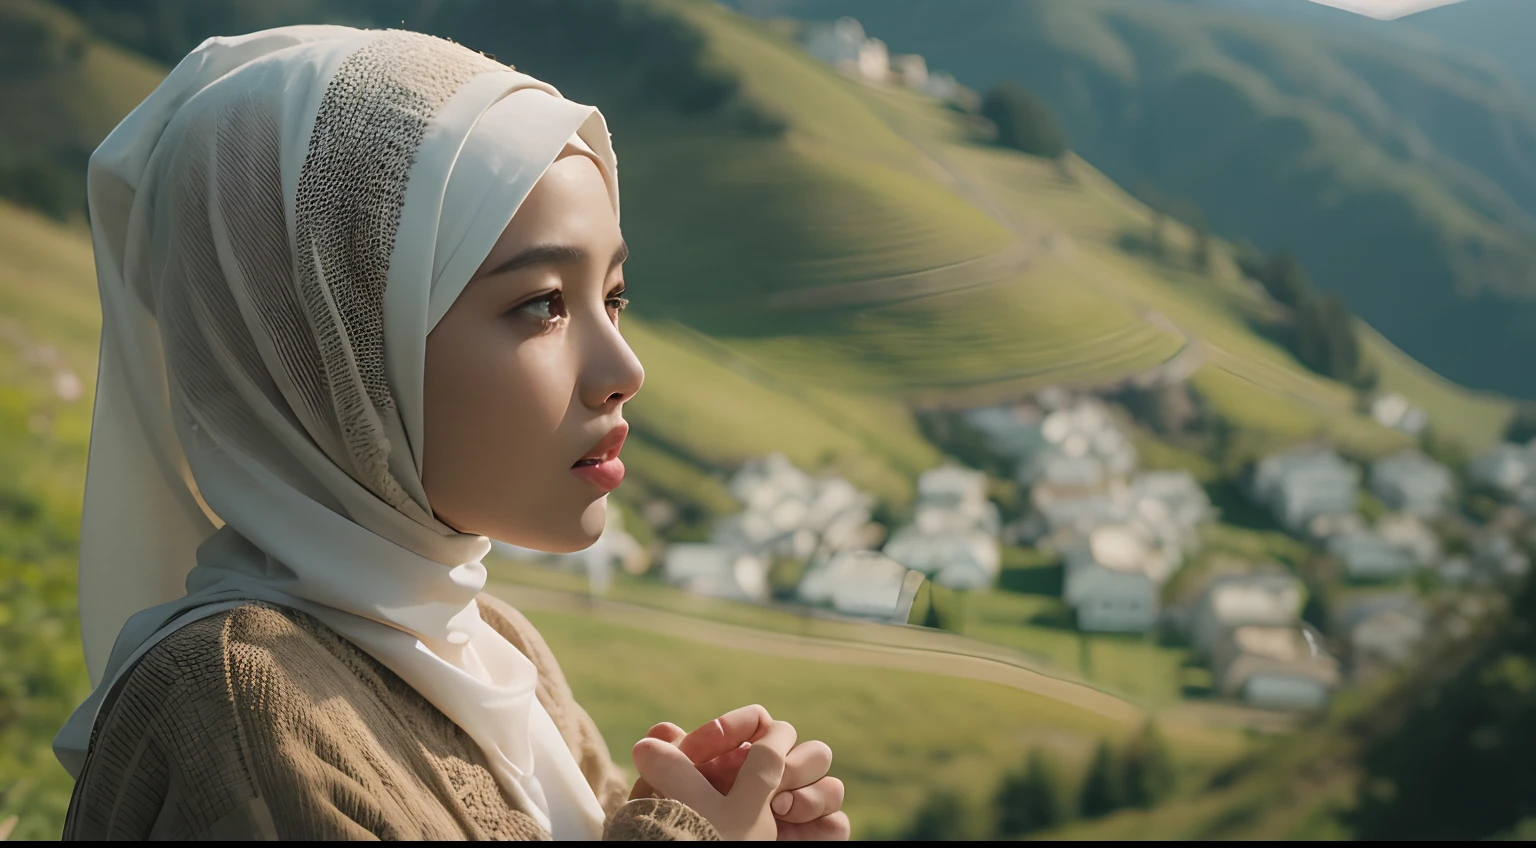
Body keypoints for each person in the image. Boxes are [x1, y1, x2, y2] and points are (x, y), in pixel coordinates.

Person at [52, 25, 849, 841]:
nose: (625, 368)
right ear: (340, 350)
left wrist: (711, 814)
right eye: (542, 303)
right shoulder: (239, 707)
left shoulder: (496, 647)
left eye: (614, 296)